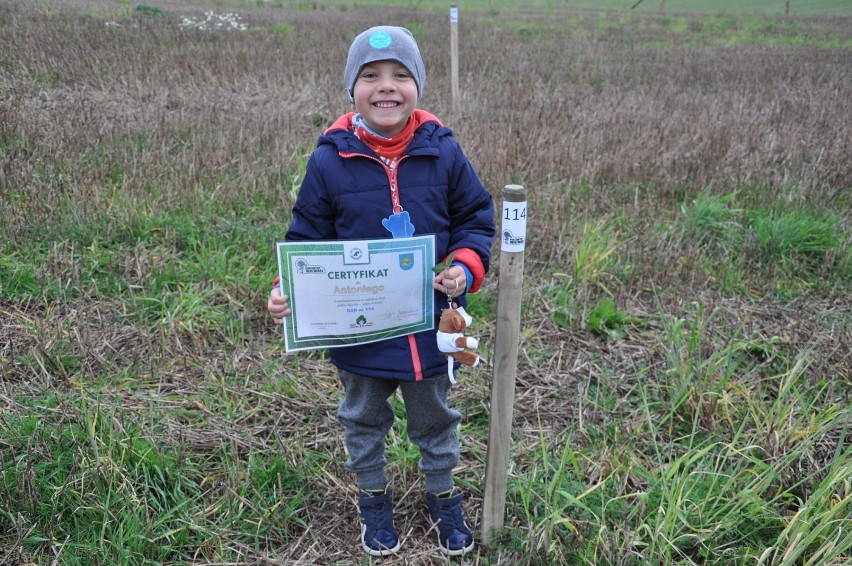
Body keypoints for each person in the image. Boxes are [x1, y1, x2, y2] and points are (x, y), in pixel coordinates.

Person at [267, 25, 495, 557]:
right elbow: (306, 238)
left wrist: (464, 266)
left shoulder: (444, 153)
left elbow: (476, 219)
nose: (385, 87)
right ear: (352, 89)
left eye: (400, 75)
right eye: (370, 76)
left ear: (418, 87)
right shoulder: (328, 161)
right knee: (363, 418)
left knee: (435, 420)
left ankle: (442, 497)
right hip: (360, 332)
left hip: (429, 328)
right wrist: (286, 288)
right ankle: (373, 500)